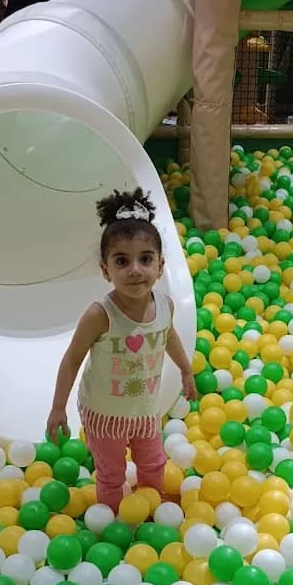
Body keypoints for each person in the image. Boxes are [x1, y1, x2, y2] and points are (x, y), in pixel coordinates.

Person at [46, 188, 196, 511]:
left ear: (160, 265)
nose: (135, 270)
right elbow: (72, 359)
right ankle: (113, 516)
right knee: (112, 473)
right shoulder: (100, 315)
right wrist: (59, 407)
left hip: (144, 410)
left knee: (154, 463)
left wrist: (186, 369)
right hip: (104, 415)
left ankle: (151, 507)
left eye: (145, 259)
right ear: (105, 270)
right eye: (122, 261)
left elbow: (168, 336)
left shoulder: (165, 305)